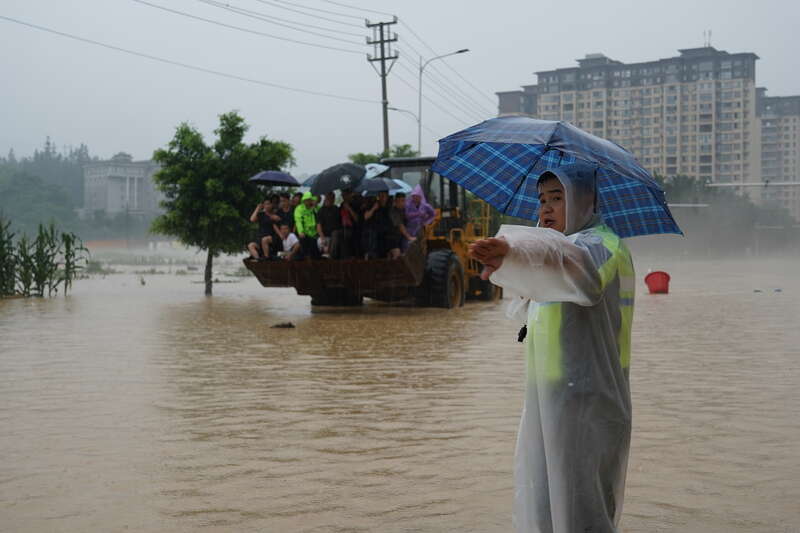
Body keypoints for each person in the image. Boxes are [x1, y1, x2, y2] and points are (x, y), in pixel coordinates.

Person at [468, 162, 635, 533]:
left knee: (581, 507)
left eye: (557, 199)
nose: (545, 208)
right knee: (542, 498)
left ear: (585, 201)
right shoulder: (563, 248)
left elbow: (583, 274)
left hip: (588, 397)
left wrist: (516, 249)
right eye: (542, 200)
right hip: (550, 393)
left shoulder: (602, 244)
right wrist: (513, 263)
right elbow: (536, 296)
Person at [404, 184, 436, 249]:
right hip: (409, 230)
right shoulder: (408, 205)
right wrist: (418, 214)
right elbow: (406, 215)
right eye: (413, 196)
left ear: (420, 197)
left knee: (421, 246)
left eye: (417, 196)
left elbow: (433, 214)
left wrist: (426, 222)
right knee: (408, 246)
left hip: (421, 230)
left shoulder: (425, 206)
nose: (415, 198)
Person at [387, 193, 416, 259]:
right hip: (392, 238)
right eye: (401, 201)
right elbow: (400, 225)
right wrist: (409, 237)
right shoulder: (392, 211)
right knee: (397, 255)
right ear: (396, 201)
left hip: (401, 238)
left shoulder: (404, 210)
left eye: (404, 200)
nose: (403, 203)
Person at [294, 191, 321, 259]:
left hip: (315, 234)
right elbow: (298, 221)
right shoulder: (299, 208)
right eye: (306, 200)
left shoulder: (317, 208)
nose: (308, 202)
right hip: (305, 234)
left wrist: (315, 207)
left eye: (310, 200)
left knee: (316, 254)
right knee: (305, 247)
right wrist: (301, 232)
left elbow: (320, 219)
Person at [316, 192, 341, 257]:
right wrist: (322, 237)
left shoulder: (336, 209)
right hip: (324, 235)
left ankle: (331, 255)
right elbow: (318, 225)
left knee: (335, 234)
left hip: (334, 233)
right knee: (321, 243)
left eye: (332, 198)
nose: (330, 200)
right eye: (328, 198)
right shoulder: (321, 210)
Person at [339, 189, 361, 258]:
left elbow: (357, 218)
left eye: (344, 195)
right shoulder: (342, 205)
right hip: (344, 228)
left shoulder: (355, 204)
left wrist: (349, 208)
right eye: (342, 195)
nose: (343, 197)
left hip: (354, 227)